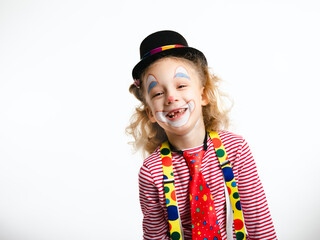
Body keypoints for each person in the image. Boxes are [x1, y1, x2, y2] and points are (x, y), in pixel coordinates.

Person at [127, 30, 277, 240]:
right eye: (158, 93)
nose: (171, 97)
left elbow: (259, 223)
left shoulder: (236, 150)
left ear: (203, 94)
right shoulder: (151, 173)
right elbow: (155, 236)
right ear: (151, 112)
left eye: (181, 85)